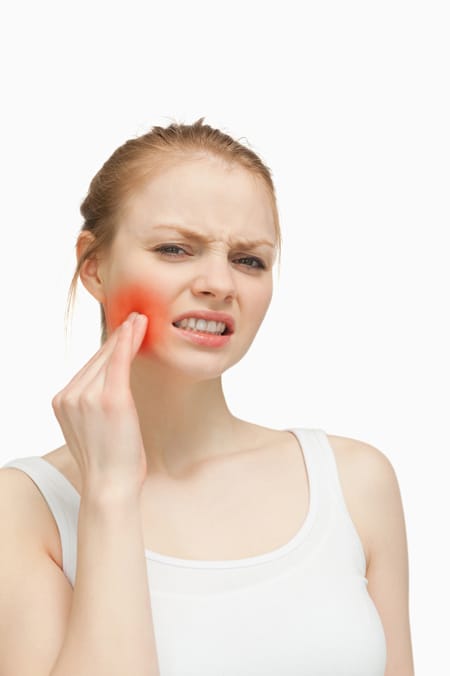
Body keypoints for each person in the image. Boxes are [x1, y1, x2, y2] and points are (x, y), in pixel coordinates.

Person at [0, 118, 414, 676]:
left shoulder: (355, 482)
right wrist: (111, 495)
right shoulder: (22, 511)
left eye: (249, 260)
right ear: (94, 265)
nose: (220, 284)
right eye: (175, 249)